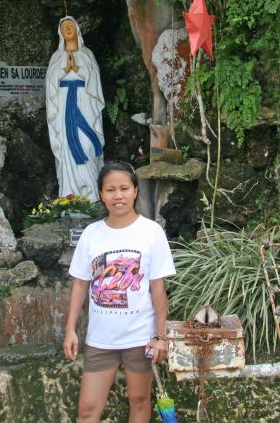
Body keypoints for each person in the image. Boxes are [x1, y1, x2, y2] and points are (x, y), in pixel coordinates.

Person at [63, 161, 176, 423]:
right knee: (88, 409)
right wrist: (70, 330)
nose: (118, 195)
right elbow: (80, 284)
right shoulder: (92, 234)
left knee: (139, 402)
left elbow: (158, 289)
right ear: (101, 194)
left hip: (140, 337)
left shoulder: (151, 232)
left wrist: (161, 335)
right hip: (101, 339)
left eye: (124, 188)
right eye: (110, 189)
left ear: (135, 190)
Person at [46, 16, 105, 202]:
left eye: (71, 25)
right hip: (64, 103)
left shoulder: (87, 54)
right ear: (60, 33)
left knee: (88, 144)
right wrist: (65, 70)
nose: (68, 28)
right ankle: (69, 194)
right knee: (66, 147)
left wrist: (77, 69)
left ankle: (92, 193)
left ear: (77, 29)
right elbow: (50, 84)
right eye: (64, 27)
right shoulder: (56, 57)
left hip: (84, 101)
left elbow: (94, 81)